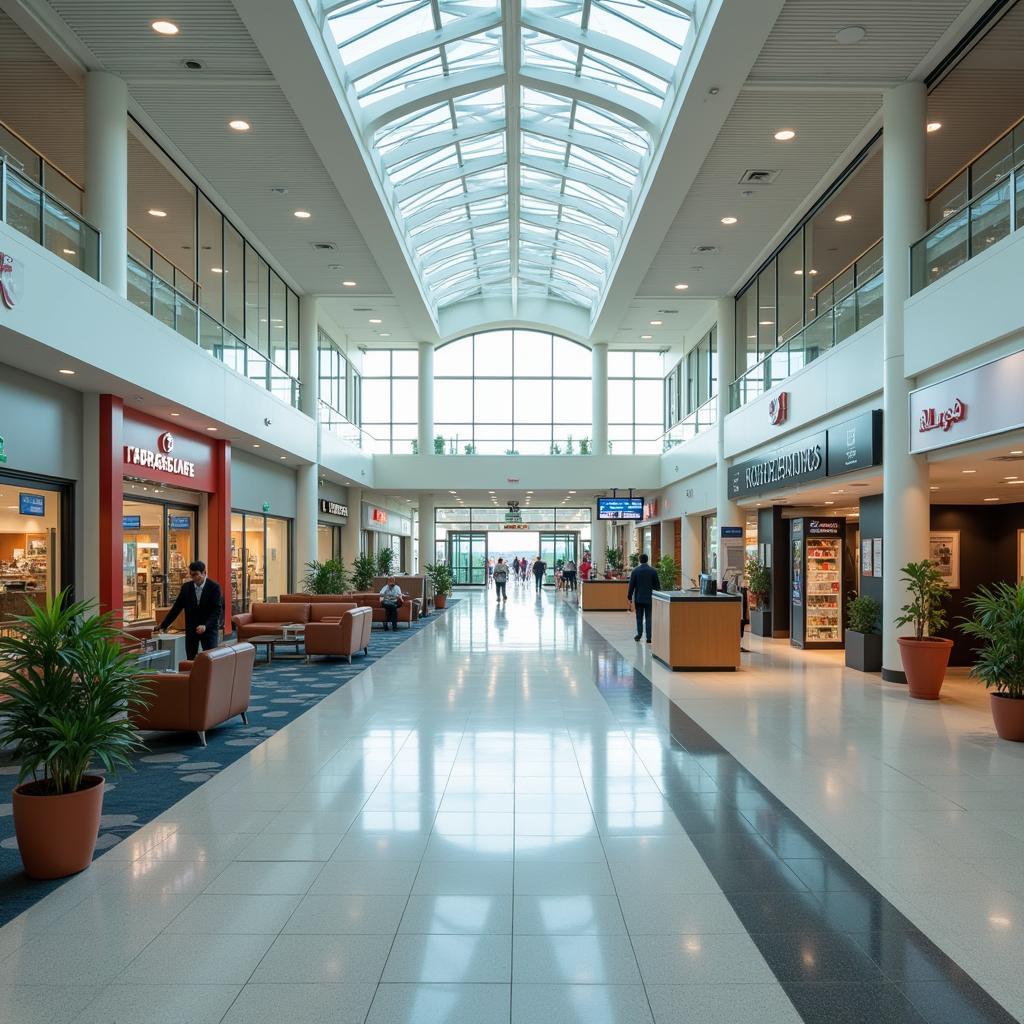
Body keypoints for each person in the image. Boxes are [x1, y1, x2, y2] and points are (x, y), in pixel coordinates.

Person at [158, 560, 223, 660]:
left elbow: (217, 610)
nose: (194, 578)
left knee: (211, 659)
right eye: (192, 575)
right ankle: (191, 675)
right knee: (190, 658)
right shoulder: (186, 588)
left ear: (204, 573)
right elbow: (176, 608)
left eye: (196, 574)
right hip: (191, 629)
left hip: (209, 629)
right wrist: (163, 625)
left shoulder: (214, 587)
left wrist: (206, 626)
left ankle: (209, 676)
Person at [627, 552, 660, 643]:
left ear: (639, 560)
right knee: (649, 617)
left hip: (638, 598)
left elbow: (631, 585)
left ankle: (639, 635)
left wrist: (629, 596)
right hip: (649, 598)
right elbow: (657, 586)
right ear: (647, 560)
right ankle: (649, 637)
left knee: (639, 617)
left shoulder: (635, 571)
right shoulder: (653, 571)